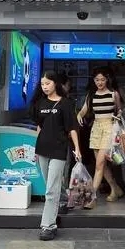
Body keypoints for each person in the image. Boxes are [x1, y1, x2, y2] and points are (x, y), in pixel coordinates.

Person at [30, 70, 81, 241]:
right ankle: (63, 200)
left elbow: (72, 127)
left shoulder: (65, 103)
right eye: (42, 84)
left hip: (59, 149)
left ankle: (48, 226)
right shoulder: (39, 103)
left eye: (48, 83)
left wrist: (77, 148)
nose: (44, 87)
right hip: (43, 148)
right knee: (50, 186)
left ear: (55, 84)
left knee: (51, 190)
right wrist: (36, 149)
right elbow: (39, 127)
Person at [76, 68, 123, 209]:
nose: (100, 82)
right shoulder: (91, 95)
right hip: (96, 129)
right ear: (94, 81)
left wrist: (118, 116)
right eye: (97, 80)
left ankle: (92, 197)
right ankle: (115, 189)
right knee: (101, 165)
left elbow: (120, 110)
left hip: (109, 128)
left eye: (102, 79)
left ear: (107, 80)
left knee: (99, 165)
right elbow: (83, 110)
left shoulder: (114, 94)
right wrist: (79, 115)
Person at [57, 73, 74, 215]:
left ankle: (63, 200)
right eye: (68, 85)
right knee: (63, 170)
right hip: (60, 141)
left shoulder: (66, 100)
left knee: (64, 170)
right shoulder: (64, 101)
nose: (69, 87)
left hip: (63, 140)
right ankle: (62, 200)